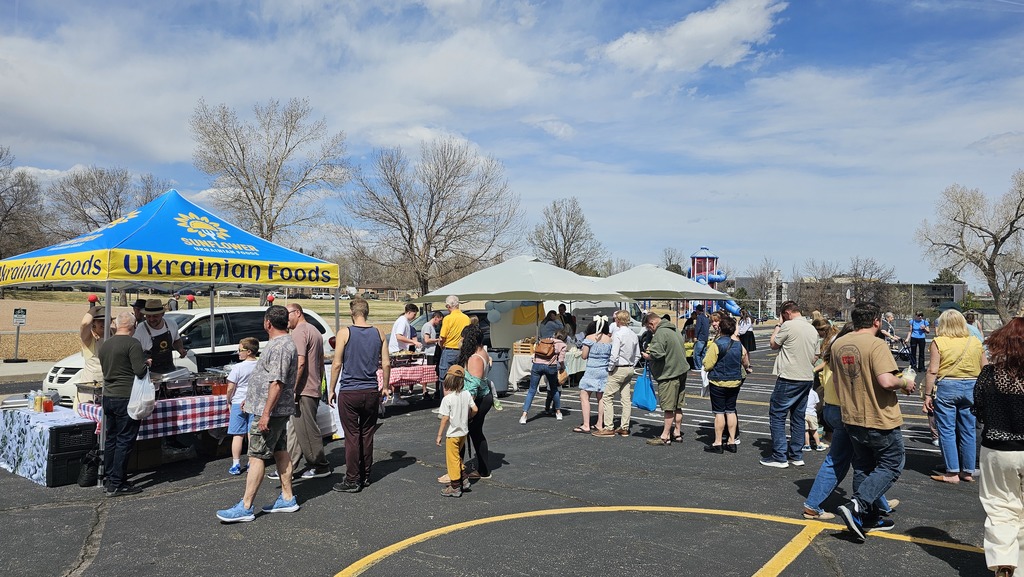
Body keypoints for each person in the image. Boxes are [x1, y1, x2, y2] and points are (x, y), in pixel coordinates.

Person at [833, 302, 916, 543]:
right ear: (877, 321)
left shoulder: (839, 343)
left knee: (863, 466)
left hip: (851, 415)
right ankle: (858, 504)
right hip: (878, 417)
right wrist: (904, 383)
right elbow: (886, 381)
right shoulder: (877, 344)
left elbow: (838, 383)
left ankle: (868, 517)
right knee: (892, 464)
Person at [802, 321, 899, 522]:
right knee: (841, 459)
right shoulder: (850, 354)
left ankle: (878, 502)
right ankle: (815, 504)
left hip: (832, 408)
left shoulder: (835, 353)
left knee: (862, 460)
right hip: (844, 410)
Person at [216, 305, 299, 523]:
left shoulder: (280, 346)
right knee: (280, 450)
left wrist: (265, 414)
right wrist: (251, 399)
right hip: (272, 409)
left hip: (272, 412)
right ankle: (287, 497)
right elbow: (267, 380)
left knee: (256, 456)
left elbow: (277, 383)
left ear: (268, 323)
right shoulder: (279, 343)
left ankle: (245, 506)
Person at [974, 317, 1024, 577]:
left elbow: (980, 410)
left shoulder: (989, 375)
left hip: (998, 447)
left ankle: (1004, 561)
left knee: (1000, 507)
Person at [328, 297, 392, 493]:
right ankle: (365, 475)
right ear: (367, 312)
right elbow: (386, 363)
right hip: (371, 389)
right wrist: (386, 386)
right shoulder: (379, 332)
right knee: (367, 433)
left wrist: (331, 389)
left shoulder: (344, 333)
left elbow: (337, 363)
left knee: (352, 436)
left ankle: (353, 478)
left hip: (350, 390)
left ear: (351, 313)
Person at [923, 309, 987, 484]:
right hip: (972, 386)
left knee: (947, 430)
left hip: (948, 386)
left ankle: (952, 471)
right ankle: (967, 470)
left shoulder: (939, 341)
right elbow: (985, 368)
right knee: (969, 430)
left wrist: (927, 395)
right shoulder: (974, 341)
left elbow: (932, 370)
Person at [761, 300, 819, 468]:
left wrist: (778, 326)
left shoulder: (788, 326)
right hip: (806, 377)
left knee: (777, 415)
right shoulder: (811, 328)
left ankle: (779, 456)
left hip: (789, 376)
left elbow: (773, 344)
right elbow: (816, 355)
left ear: (786, 313)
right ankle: (796, 454)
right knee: (798, 416)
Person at [97, 311, 149, 496]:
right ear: (133, 325)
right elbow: (139, 371)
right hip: (126, 397)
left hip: (108, 396)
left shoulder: (105, 344)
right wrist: (147, 362)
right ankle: (117, 483)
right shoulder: (132, 343)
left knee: (111, 438)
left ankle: (109, 478)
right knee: (125, 440)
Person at [283, 303, 331, 480]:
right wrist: (319, 384)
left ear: (297, 313)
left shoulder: (299, 332)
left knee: (308, 430)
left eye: (287, 314)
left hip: (303, 389)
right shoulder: (314, 331)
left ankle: (320, 466)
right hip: (312, 385)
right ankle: (288, 467)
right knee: (297, 430)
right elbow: (319, 362)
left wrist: (293, 389)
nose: (285, 319)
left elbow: (300, 362)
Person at [702, 315, 750, 453]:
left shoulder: (717, 344)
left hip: (718, 381)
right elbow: (745, 361)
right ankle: (732, 441)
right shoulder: (738, 344)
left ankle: (717, 442)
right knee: (731, 410)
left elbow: (708, 364)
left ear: (721, 329)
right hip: (734, 381)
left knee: (719, 412)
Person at [642, 312, 688, 446]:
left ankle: (664, 436)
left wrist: (647, 356)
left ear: (652, 323)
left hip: (669, 373)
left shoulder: (661, 333)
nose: (650, 330)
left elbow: (657, 353)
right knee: (678, 405)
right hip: (681, 370)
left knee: (668, 407)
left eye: (648, 328)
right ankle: (677, 433)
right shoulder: (674, 329)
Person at [455, 324, 494, 480]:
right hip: (482, 398)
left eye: (463, 338)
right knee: (476, 433)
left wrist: (469, 409)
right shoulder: (481, 352)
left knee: (464, 433)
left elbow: (473, 386)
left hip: (479, 399)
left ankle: (458, 471)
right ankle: (482, 470)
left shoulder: (475, 358)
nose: (461, 341)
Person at [594, 310, 640, 438]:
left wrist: (610, 367)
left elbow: (614, 354)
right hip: (629, 367)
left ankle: (609, 427)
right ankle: (624, 427)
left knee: (608, 397)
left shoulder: (618, 334)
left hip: (619, 367)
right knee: (626, 399)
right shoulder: (633, 334)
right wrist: (632, 364)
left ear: (618, 320)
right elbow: (638, 354)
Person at [436, 365, 477, 497]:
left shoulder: (447, 399)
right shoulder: (466, 394)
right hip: (463, 433)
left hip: (452, 435)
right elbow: (475, 409)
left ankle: (455, 486)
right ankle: (464, 478)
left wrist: (439, 435)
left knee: (452, 460)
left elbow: (444, 418)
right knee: (457, 458)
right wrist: (469, 417)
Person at [226, 337, 259, 475]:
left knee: (237, 435)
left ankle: (236, 463)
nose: (238, 353)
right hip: (255, 401)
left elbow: (230, 387)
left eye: (240, 350)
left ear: (249, 351)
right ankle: (252, 463)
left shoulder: (237, 367)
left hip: (238, 401)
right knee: (251, 433)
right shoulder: (260, 365)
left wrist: (229, 400)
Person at [519, 330, 567, 424]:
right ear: (565, 338)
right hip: (550, 366)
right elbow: (561, 360)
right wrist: (562, 367)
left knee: (532, 390)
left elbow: (536, 352)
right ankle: (558, 412)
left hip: (537, 365)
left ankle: (524, 415)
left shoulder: (545, 340)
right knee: (554, 389)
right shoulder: (562, 345)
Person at [575, 318, 612, 433]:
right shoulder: (610, 339)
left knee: (584, 396)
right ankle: (599, 423)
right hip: (604, 370)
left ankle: (586, 424)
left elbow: (584, 356)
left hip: (591, 370)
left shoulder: (589, 338)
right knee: (601, 398)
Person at [133, 299, 187, 374]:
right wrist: (144, 360)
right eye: (148, 316)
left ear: (162, 314)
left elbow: (176, 340)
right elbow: (133, 353)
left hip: (169, 369)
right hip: (150, 373)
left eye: (155, 316)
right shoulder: (140, 330)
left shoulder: (171, 324)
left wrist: (180, 349)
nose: (151, 319)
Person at [76, 305, 111, 388]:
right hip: (91, 384)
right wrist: (94, 309)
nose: (103, 323)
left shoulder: (113, 333)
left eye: (106, 320)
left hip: (109, 384)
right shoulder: (88, 338)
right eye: (100, 321)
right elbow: (85, 323)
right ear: (93, 322)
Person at [437, 296, 470, 383]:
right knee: (459, 377)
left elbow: (442, 337)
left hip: (449, 349)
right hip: (462, 350)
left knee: (445, 378)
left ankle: (445, 396)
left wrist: (441, 346)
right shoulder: (466, 318)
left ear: (448, 306)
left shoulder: (448, 318)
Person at [803, 387, 825, 451]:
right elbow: (817, 403)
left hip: (804, 413)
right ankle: (818, 445)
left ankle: (807, 445)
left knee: (806, 430)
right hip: (812, 414)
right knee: (814, 430)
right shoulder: (814, 393)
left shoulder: (803, 392)